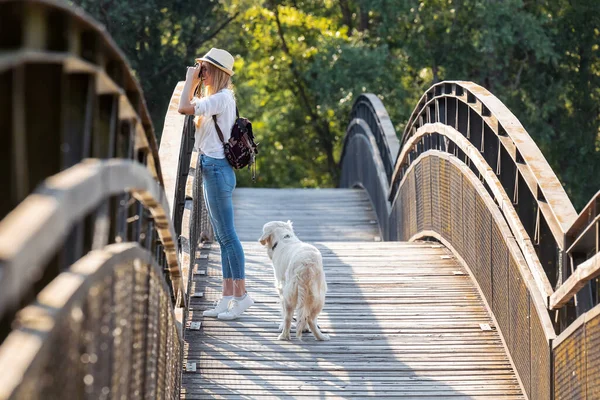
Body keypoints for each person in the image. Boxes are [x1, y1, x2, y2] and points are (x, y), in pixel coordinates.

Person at [178, 48, 253, 320]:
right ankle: (227, 297)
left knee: (229, 236)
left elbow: (183, 107)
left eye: (205, 68)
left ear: (218, 72)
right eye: (200, 67)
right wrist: (197, 82)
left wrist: (190, 80)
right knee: (222, 238)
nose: (202, 72)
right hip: (213, 170)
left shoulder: (220, 98)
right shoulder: (219, 98)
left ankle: (242, 296)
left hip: (217, 170)